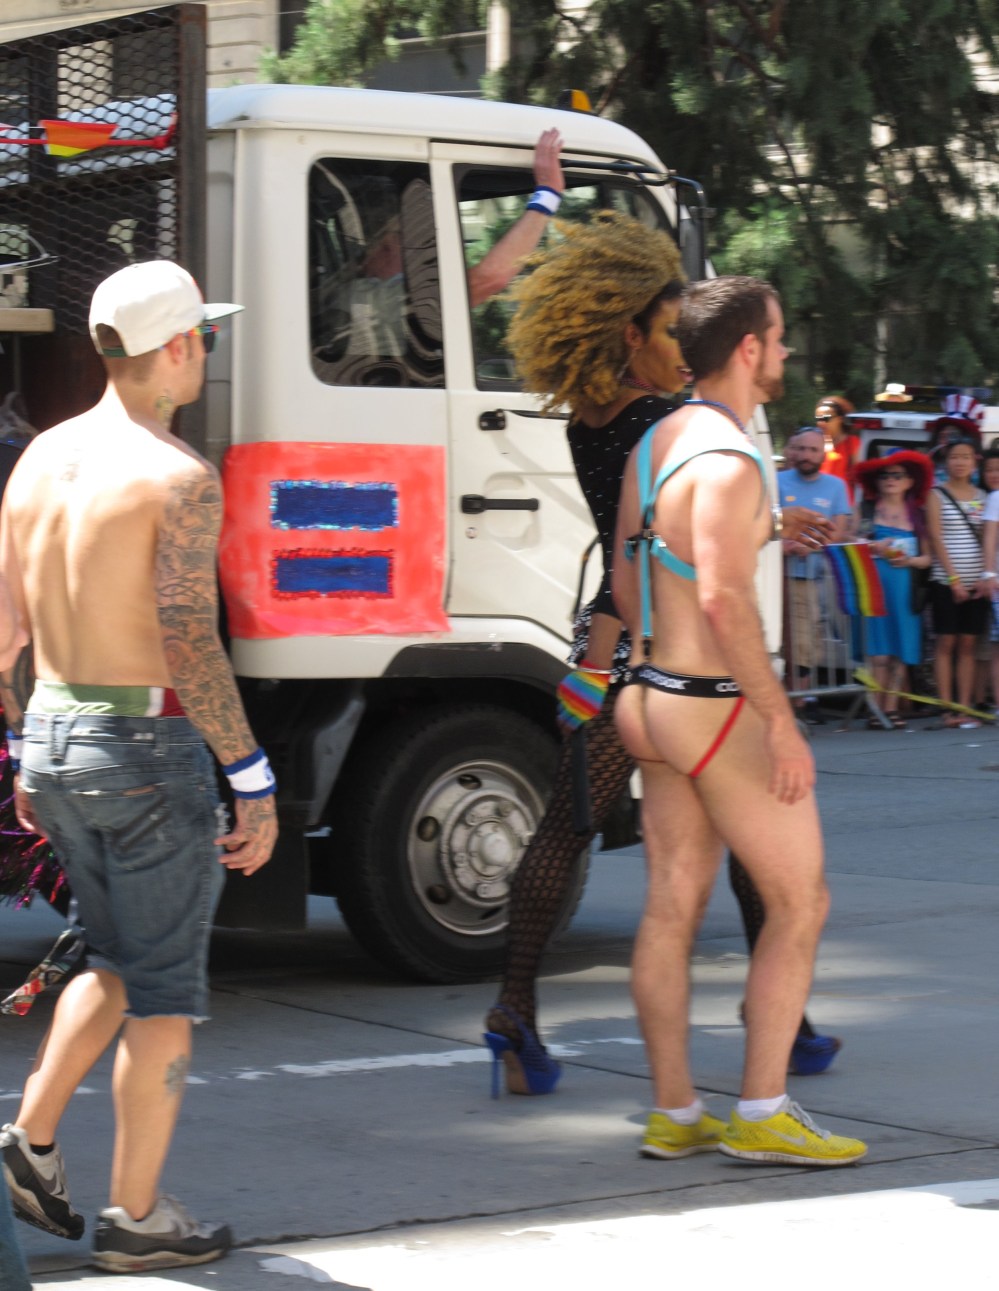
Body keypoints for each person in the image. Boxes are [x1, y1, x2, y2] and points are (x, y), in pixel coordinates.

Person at [483, 221, 837, 1102]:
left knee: (570, 828)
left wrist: (767, 521)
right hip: (658, 654)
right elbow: (684, 543)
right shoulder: (669, 421)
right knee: (761, 851)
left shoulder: (592, 418)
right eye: (670, 327)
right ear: (629, 331)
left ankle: (515, 1010)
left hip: (603, 652)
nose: (684, 348)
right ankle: (778, 1029)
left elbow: (642, 533)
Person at [0, 259, 278, 1273]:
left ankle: (27, 1144)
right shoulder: (178, 477)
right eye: (201, 334)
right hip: (146, 744)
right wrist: (250, 775)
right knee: (163, 993)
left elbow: (5, 631)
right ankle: (137, 1218)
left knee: (113, 953)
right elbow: (190, 644)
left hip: (60, 735)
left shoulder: (38, 462)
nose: (207, 349)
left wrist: (28, 744)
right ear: (176, 347)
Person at [613, 276, 867, 1166]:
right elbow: (723, 600)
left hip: (646, 694)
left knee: (670, 907)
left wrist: (762, 529)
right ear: (748, 349)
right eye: (781, 337)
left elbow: (627, 577)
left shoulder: (657, 442)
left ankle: (674, 1113)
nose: (787, 353)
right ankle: (761, 1108)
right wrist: (780, 721)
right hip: (711, 706)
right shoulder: (730, 456)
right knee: (801, 899)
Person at [852, 452, 934, 728]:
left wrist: (908, 560)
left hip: (904, 591)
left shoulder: (918, 516)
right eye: (885, 476)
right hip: (873, 589)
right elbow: (850, 543)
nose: (890, 481)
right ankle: (875, 708)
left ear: (910, 481)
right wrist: (872, 546)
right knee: (879, 653)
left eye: (897, 475)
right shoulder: (865, 510)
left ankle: (892, 709)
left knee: (900, 652)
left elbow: (927, 559)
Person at [778, 428, 852, 716]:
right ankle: (795, 701)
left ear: (823, 454)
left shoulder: (836, 486)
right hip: (783, 576)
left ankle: (799, 697)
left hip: (819, 576)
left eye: (813, 450)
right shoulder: (775, 480)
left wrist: (810, 546)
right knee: (794, 640)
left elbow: (840, 529)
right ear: (791, 451)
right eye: (801, 449)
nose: (807, 455)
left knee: (812, 638)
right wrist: (786, 545)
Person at [926, 438, 988, 728]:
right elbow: (936, 537)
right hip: (945, 580)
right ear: (945, 462)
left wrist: (984, 577)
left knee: (968, 644)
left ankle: (964, 707)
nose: (960, 462)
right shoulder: (936, 495)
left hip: (978, 583)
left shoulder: (984, 496)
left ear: (974, 461)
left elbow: (989, 539)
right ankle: (946, 708)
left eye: (965, 457)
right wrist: (954, 579)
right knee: (946, 642)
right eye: (954, 457)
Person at [977, 447, 999, 711]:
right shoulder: (995, 498)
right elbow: (990, 537)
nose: (994, 475)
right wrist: (989, 573)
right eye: (990, 469)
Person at [816, 395, 859, 501]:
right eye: (818, 418)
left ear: (840, 419)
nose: (821, 423)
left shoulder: (852, 444)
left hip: (844, 506)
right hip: (818, 504)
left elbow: (860, 480)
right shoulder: (815, 443)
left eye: (826, 418)